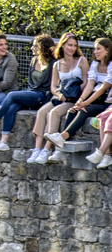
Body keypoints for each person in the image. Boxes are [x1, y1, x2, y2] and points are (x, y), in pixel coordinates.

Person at [0, 35, 56, 156]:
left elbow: (49, 86)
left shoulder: (53, 63)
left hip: (43, 96)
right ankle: (3, 141)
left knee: (12, 95)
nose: (32, 48)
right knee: (12, 106)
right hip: (31, 93)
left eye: (35, 46)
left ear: (42, 47)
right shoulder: (34, 60)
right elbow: (31, 83)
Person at [26, 34, 87, 164]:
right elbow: (53, 86)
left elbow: (86, 82)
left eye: (74, 45)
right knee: (42, 111)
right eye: (69, 45)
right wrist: (59, 94)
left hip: (74, 98)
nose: (72, 48)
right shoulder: (57, 64)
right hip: (60, 97)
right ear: (63, 45)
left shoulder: (81, 61)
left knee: (54, 113)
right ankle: (37, 148)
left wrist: (73, 90)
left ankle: (47, 148)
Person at [44, 37, 112, 152]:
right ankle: (61, 144)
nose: (95, 52)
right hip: (95, 97)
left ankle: (62, 137)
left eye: (98, 49)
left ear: (107, 50)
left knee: (83, 110)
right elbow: (90, 85)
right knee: (73, 110)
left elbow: (103, 88)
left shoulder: (111, 65)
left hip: (106, 101)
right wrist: (80, 100)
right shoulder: (95, 65)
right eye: (94, 49)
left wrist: (85, 103)